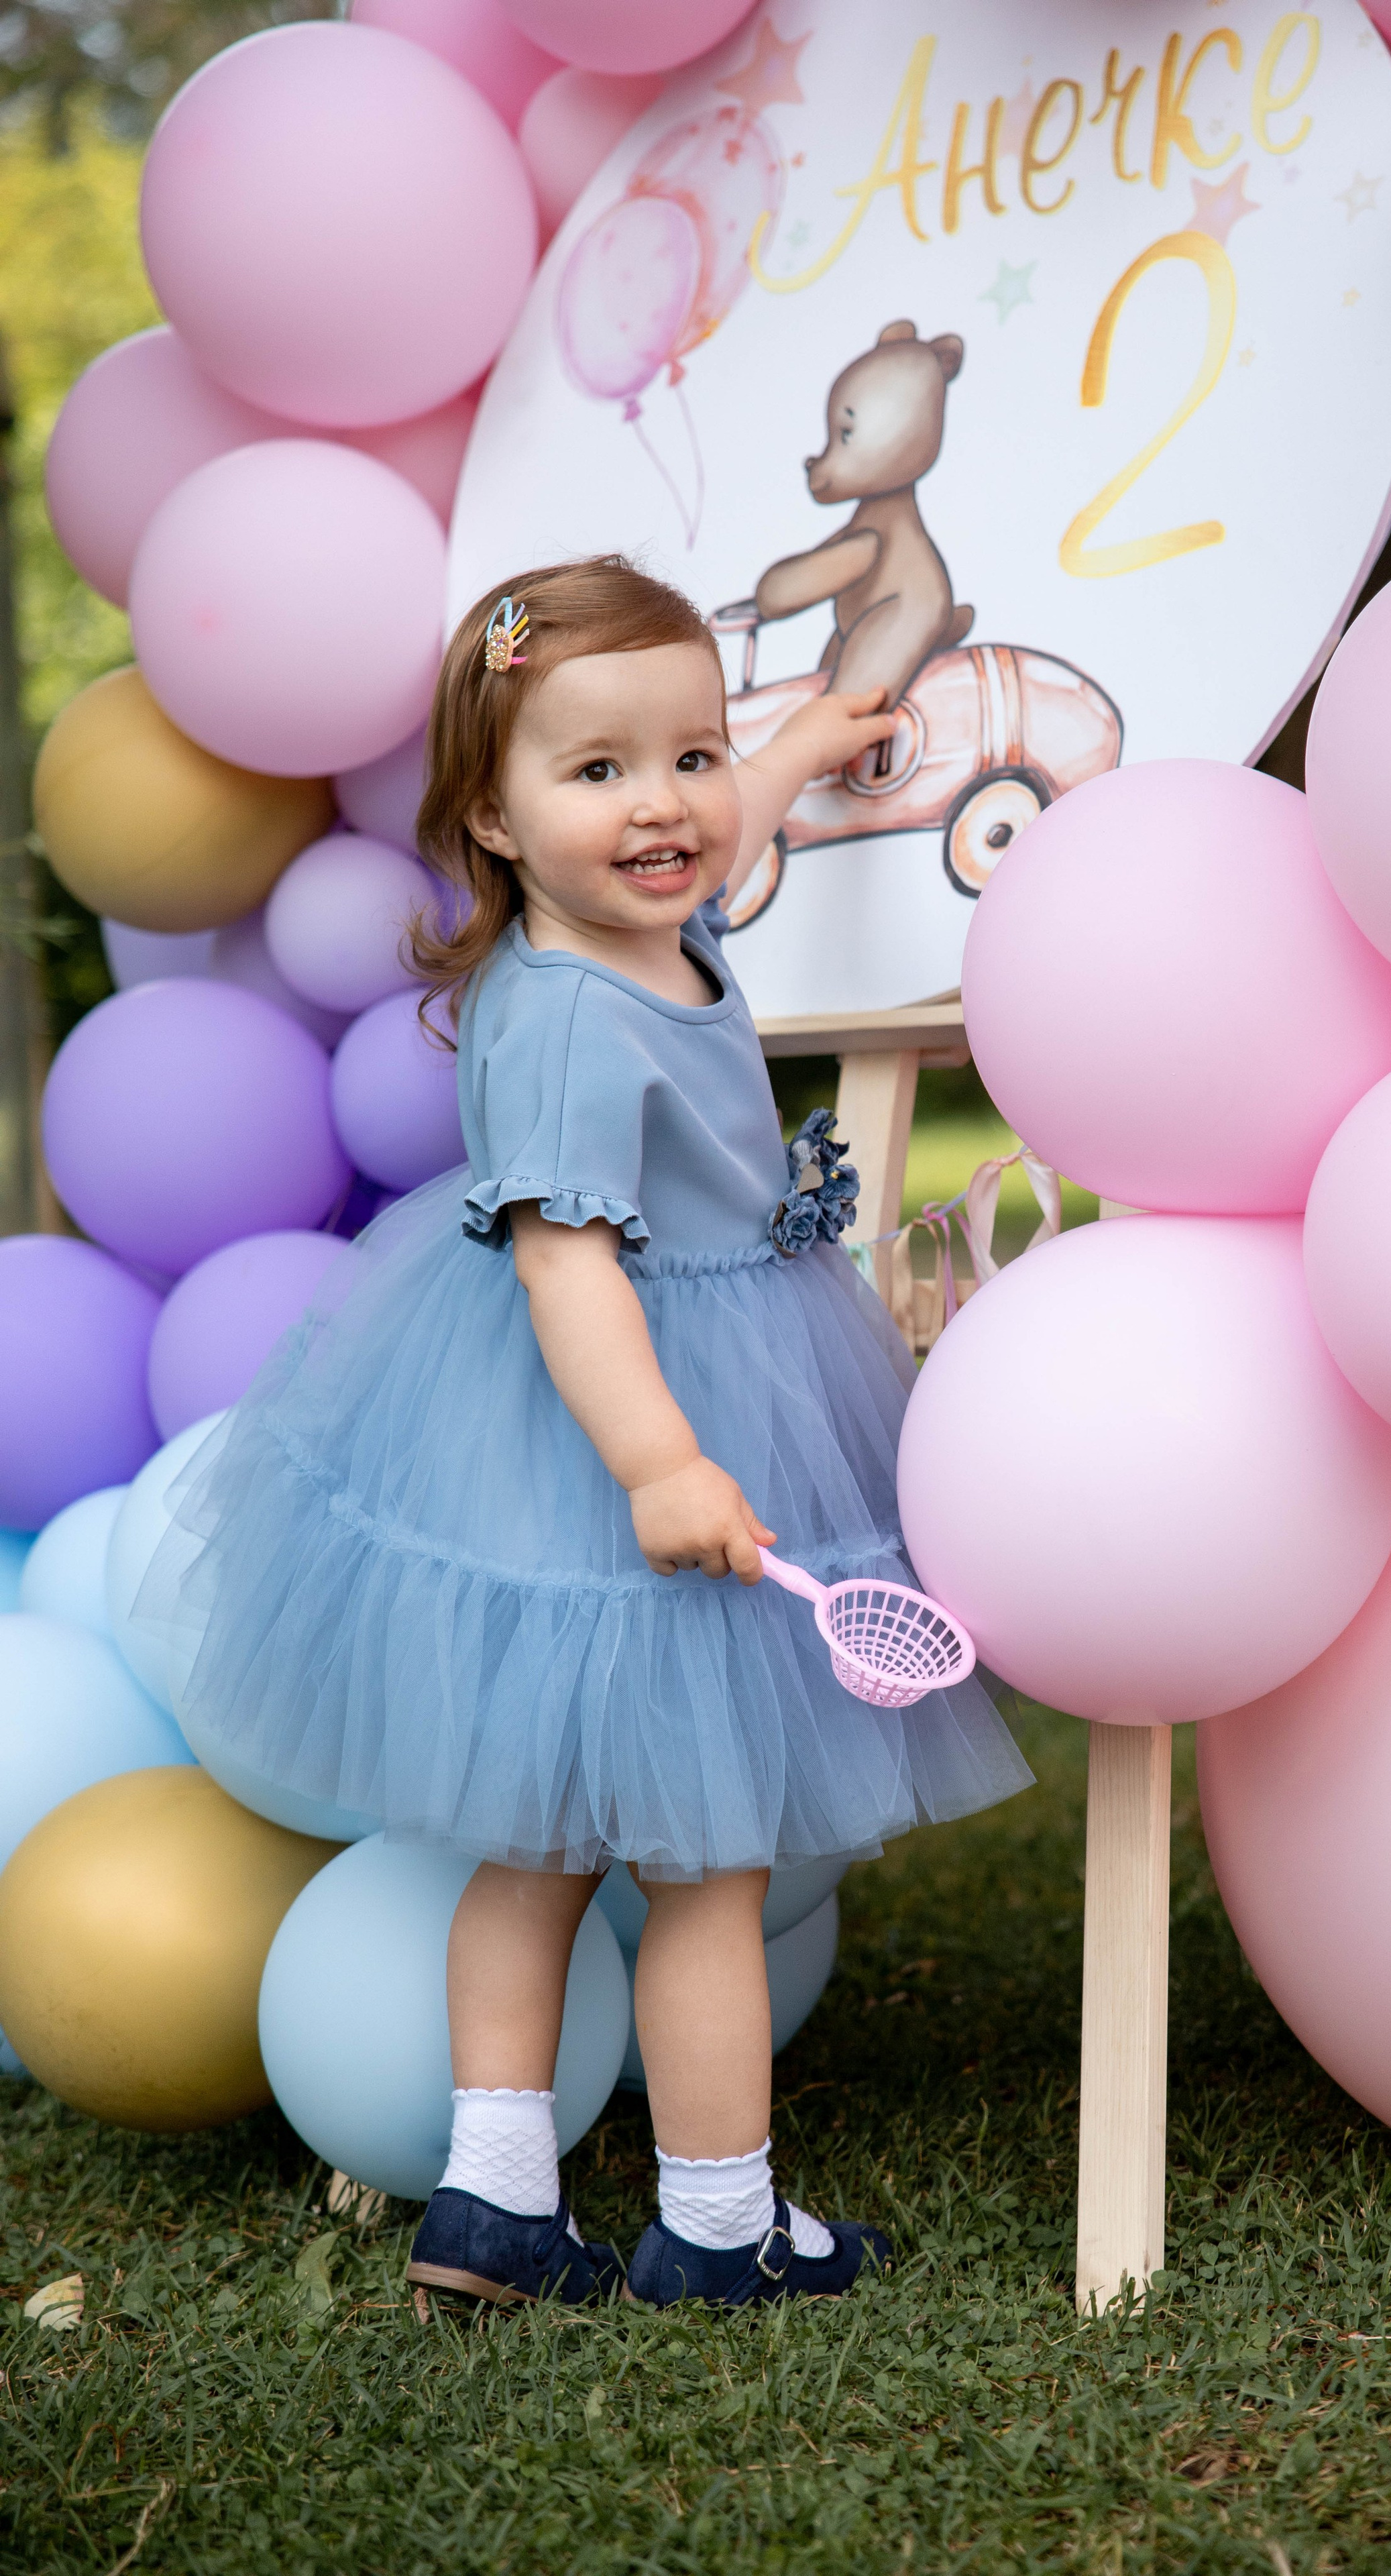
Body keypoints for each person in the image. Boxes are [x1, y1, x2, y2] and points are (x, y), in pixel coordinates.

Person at [152, 556, 1032, 2311]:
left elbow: (722, 827)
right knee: (705, 1868)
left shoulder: (644, 918)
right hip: (627, 1418)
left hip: (647, 1398)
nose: (668, 808)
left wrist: (803, 748)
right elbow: (567, 1275)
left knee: (537, 1841)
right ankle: (715, 2224)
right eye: (600, 771)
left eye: (690, 757)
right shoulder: (560, 1018)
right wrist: (661, 1464)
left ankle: (493, 2209)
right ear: (492, 812)